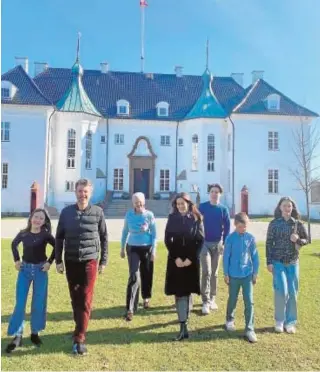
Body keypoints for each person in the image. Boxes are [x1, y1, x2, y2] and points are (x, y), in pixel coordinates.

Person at [55, 178, 108, 355]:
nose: (82, 194)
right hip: (70, 261)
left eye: (85, 191)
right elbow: (59, 238)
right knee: (75, 298)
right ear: (75, 192)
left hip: (89, 261)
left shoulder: (98, 212)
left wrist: (103, 261)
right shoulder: (66, 213)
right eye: (79, 191)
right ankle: (80, 326)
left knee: (85, 298)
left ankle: (79, 339)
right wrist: (58, 260)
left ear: (90, 193)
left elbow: (104, 237)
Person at [5, 208, 55, 353]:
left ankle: (35, 333)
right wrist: (16, 260)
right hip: (24, 271)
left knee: (38, 302)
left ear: (44, 221)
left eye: (41, 218)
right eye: (36, 217)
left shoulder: (46, 235)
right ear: (31, 217)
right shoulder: (23, 233)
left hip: (40, 271)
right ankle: (17, 335)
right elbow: (13, 244)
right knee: (20, 303)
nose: (38, 220)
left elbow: (58, 246)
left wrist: (49, 262)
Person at [164, 192, 204, 341]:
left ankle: (184, 324)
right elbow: (168, 239)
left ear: (188, 204)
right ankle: (183, 326)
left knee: (186, 292)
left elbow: (200, 241)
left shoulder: (196, 219)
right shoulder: (172, 218)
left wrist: (190, 259)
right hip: (175, 260)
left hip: (190, 261)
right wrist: (176, 258)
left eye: (183, 203)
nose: (180, 206)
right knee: (179, 292)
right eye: (178, 204)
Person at [266, 196, 308, 334]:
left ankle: (290, 322)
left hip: (293, 263)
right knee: (281, 291)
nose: (287, 208)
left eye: (289, 206)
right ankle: (279, 320)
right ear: (280, 207)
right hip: (278, 263)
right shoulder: (274, 224)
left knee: (292, 293)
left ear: (292, 208)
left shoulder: (298, 224)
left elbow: (307, 239)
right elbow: (268, 243)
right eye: (284, 206)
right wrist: (269, 262)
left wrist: (299, 240)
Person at [223, 212, 259, 343]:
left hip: (247, 275)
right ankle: (229, 319)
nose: (242, 229)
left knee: (249, 301)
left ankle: (249, 328)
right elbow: (226, 257)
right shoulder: (230, 239)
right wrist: (226, 274)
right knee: (232, 298)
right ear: (235, 225)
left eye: (245, 227)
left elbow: (255, 257)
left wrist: (255, 273)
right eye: (240, 227)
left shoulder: (250, 238)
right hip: (233, 275)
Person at [121, 192, 157, 321]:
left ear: (144, 202)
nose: (138, 204)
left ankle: (146, 298)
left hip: (147, 248)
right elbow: (125, 231)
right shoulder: (129, 215)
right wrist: (122, 248)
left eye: (140, 201)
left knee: (146, 273)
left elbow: (154, 234)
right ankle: (130, 308)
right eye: (136, 202)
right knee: (134, 276)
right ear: (133, 203)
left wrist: (154, 251)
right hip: (133, 248)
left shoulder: (149, 215)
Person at [199, 183, 230, 314]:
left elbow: (227, 228)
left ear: (220, 194)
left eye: (217, 192)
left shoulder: (223, 209)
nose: (214, 193)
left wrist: (224, 242)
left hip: (217, 244)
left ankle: (212, 298)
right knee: (206, 271)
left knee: (215, 273)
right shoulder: (203, 207)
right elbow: (196, 223)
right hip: (204, 244)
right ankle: (205, 301)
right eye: (212, 191)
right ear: (209, 193)